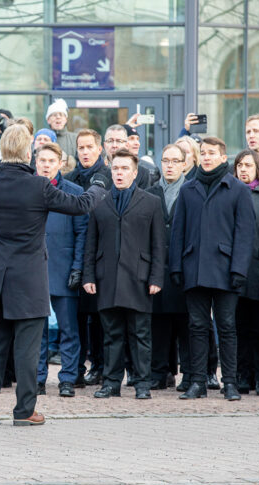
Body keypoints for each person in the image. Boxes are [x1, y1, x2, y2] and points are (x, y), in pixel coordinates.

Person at [0, 124, 107, 426]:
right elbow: (81, 205)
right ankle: (24, 411)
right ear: (28, 152)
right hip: (29, 279)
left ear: (1, 151)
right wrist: (99, 184)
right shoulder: (38, 186)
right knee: (27, 349)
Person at [169, 136, 256, 400]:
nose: (206, 157)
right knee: (196, 325)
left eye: (211, 153)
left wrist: (239, 270)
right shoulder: (188, 189)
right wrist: (176, 266)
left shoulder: (238, 189)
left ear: (222, 157)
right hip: (193, 266)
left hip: (225, 268)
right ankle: (197, 381)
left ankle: (229, 382)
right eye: (203, 153)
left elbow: (245, 233)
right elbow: (178, 231)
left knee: (226, 325)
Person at [84, 148, 165, 399]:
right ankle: (111, 383)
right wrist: (88, 276)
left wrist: (156, 277)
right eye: (115, 168)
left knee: (140, 334)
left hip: (139, 278)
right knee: (111, 335)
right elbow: (91, 243)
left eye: (124, 169)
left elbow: (158, 244)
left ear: (135, 172)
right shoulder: (100, 202)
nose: (119, 173)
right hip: (107, 278)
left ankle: (142, 383)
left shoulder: (151, 202)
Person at [34, 142, 87, 398]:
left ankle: (68, 378)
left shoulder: (74, 191)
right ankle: (38, 378)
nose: (46, 165)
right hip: (33, 271)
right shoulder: (27, 190)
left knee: (68, 329)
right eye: (42, 160)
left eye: (50, 161)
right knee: (37, 331)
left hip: (64, 270)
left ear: (60, 164)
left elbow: (81, 233)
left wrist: (78, 267)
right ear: (36, 163)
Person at [64, 129, 112, 387]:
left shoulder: (108, 178)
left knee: (100, 318)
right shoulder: (69, 179)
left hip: (101, 256)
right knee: (77, 318)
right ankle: (77, 368)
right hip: (75, 257)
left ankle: (101, 367)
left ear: (99, 149)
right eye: (80, 148)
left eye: (88, 147)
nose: (84, 152)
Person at [232, 149, 259, 395]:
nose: (243, 169)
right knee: (239, 328)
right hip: (235, 273)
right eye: (239, 165)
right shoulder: (228, 195)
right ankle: (242, 376)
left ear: (257, 168)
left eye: (248, 165)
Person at [146, 144, 189, 390]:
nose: (170, 165)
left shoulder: (191, 191)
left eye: (175, 161)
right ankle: (159, 371)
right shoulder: (151, 192)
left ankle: (190, 374)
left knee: (186, 324)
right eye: (165, 160)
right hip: (157, 266)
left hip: (184, 266)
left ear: (184, 164)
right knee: (158, 323)